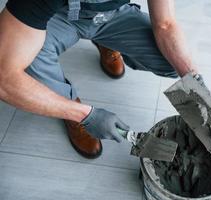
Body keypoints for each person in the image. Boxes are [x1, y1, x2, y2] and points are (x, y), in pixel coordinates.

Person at [0, 0, 198, 158]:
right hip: (59, 16)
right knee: (28, 63)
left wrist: (192, 80)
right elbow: (4, 78)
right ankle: (70, 109)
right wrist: (84, 115)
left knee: (173, 61)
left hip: (114, 13)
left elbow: (165, 24)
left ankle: (106, 40)